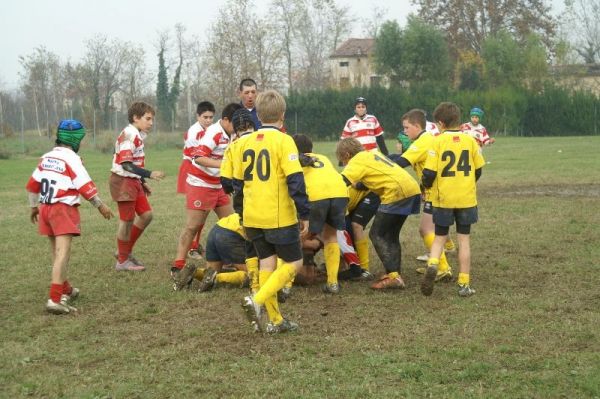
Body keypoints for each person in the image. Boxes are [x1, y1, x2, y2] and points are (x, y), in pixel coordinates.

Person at [234, 89, 310, 334]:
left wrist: (243, 216)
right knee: (294, 263)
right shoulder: (284, 140)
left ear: (257, 114)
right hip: (277, 216)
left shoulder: (243, 142)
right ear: (283, 115)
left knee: (267, 265)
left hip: (253, 215)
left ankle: (276, 320)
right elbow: (295, 180)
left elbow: (237, 185)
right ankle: (256, 302)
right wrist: (304, 213)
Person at [26, 119, 113, 314]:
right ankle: (55, 298)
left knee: (56, 252)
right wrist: (101, 206)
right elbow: (84, 186)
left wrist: (33, 207)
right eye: (80, 138)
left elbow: (33, 184)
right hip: (62, 208)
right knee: (63, 252)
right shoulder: (73, 158)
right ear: (75, 139)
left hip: (45, 208)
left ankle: (65, 288)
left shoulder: (46, 157)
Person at [171, 103, 241, 288]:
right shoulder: (214, 133)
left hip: (218, 185)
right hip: (201, 183)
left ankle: (228, 260)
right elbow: (198, 158)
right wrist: (225, 165)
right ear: (225, 120)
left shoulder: (232, 132)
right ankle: (177, 266)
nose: (239, 127)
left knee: (232, 223)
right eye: (236, 123)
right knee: (192, 226)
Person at [337, 138, 421, 290]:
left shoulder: (357, 160)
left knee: (377, 234)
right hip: (411, 188)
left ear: (347, 154)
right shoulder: (373, 153)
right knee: (391, 236)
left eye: (343, 161)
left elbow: (341, 182)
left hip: (395, 192)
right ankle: (395, 275)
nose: (344, 164)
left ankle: (393, 277)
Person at [420, 102, 485, 297]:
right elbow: (478, 169)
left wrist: (425, 186)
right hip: (466, 198)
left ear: (441, 122)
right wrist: (466, 183)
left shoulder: (437, 142)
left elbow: (429, 173)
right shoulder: (470, 141)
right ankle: (464, 284)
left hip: (444, 199)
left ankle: (433, 264)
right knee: (464, 240)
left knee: (440, 237)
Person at [389, 109, 453, 282]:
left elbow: (401, 162)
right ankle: (442, 260)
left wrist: (377, 163)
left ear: (417, 126)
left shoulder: (422, 141)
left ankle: (443, 267)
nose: (405, 131)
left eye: (407, 127)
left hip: (437, 192)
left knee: (426, 229)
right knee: (431, 228)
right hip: (436, 190)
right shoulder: (425, 139)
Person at [110, 102, 165, 272]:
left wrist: (141, 181)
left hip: (133, 181)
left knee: (146, 215)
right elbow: (126, 164)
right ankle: (122, 261)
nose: (151, 123)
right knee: (126, 222)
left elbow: (134, 163)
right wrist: (149, 174)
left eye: (152, 119)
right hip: (123, 181)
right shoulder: (129, 135)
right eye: (148, 119)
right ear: (135, 118)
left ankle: (123, 252)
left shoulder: (137, 134)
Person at [293, 134, 349, 294]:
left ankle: (286, 284)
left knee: (301, 234)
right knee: (331, 236)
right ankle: (333, 283)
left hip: (316, 196)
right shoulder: (322, 157)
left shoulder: (293, 160)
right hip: (340, 193)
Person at [177, 101, 216, 259]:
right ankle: (191, 248)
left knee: (204, 212)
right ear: (197, 116)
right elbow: (197, 158)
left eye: (211, 117)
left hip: (203, 169)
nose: (208, 120)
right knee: (197, 212)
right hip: (192, 169)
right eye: (205, 117)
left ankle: (194, 244)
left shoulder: (211, 130)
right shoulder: (194, 132)